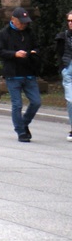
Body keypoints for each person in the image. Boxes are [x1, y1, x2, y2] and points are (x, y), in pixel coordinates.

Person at [0, 6, 42, 142]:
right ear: (13, 19)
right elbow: (0, 51)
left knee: (36, 102)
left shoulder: (30, 32)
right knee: (17, 104)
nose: (24, 25)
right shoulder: (4, 33)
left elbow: (37, 47)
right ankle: (21, 131)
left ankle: (24, 123)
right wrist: (14, 54)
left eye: (25, 22)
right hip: (13, 74)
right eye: (21, 22)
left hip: (29, 72)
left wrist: (34, 53)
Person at [53, 10, 72, 142]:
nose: (70, 23)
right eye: (69, 21)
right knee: (71, 100)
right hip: (68, 69)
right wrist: (63, 68)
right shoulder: (63, 36)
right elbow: (59, 52)